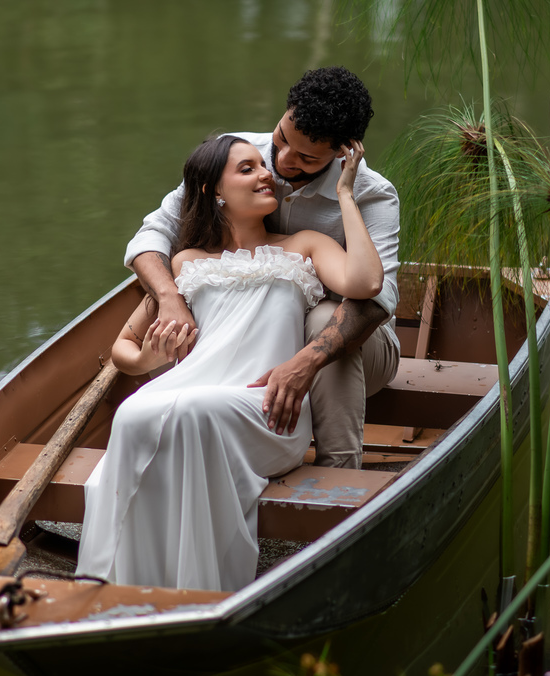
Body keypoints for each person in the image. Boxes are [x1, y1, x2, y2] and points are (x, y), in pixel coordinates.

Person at [75, 135, 383, 592]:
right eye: (248, 169)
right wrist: (148, 358)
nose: (267, 175)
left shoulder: (305, 244)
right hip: (192, 391)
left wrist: (344, 193)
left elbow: (366, 281)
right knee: (133, 412)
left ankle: (198, 590)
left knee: (190, 413)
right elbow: (123, 347)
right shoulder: (185, 262)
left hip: (266, 408)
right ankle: (116, 582)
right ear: (213, 192)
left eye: (263, 166)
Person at [124, 66, 400, 469]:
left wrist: (307, 360)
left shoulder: (373, 195)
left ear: (344, 152)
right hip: (257, 336)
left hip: (353, 343)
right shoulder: (234, 157)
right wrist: (169, 297)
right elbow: (153, 235)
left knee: (323, 316)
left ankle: (339, 475)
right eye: (282, 138)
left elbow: (377, 298)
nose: (283, 161)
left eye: (306, 157)